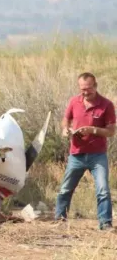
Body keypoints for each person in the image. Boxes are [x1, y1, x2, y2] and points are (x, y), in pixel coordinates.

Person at [55, 72, 116, 230]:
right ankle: (60, 218)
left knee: (102, 189)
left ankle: (105, 222)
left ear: (95, 86)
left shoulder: (106, 105)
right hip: (76, 153)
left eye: (88, 89)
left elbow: (110, 131)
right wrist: (65, 129)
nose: (85, 92)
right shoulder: (74, 101)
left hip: (97, 155)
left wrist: (92, 130)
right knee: (65, 188)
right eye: (82, 89)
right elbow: (65, 120)